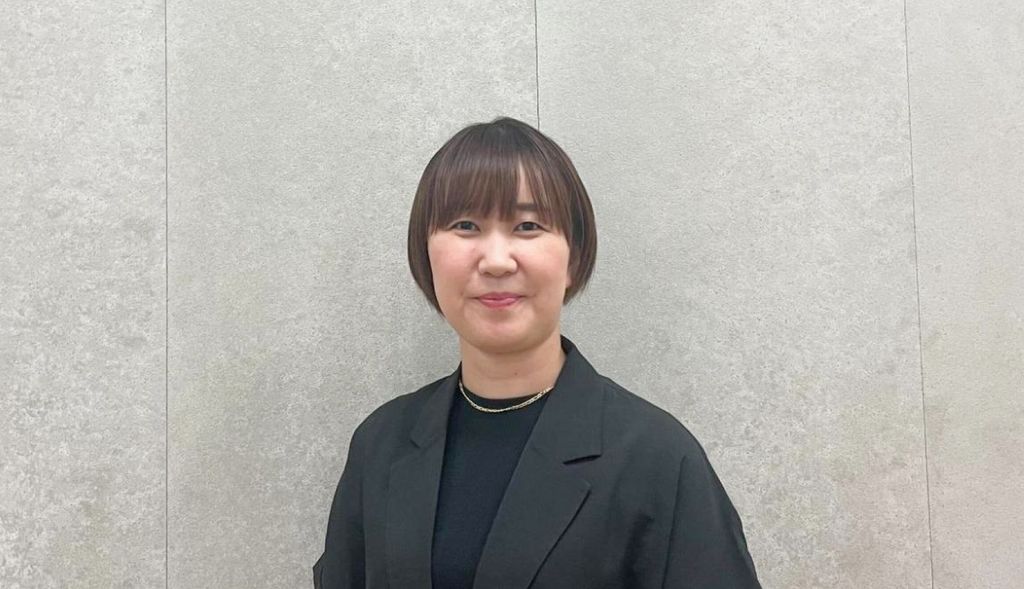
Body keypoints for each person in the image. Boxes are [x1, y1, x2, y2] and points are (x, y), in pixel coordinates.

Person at [313, 116, 761, 588]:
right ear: (425, 254)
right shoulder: (380, 445)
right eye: (465, 225)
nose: (496, 261)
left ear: (574, 258)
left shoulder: (659, 458)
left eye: (527, 226)